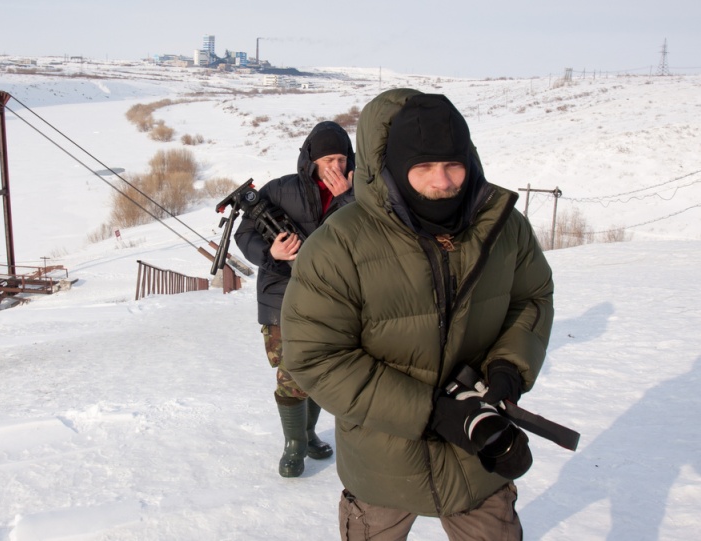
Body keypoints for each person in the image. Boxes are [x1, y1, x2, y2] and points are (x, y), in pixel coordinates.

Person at [280, 89, 554, 539]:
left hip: (477, 459)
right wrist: (430, 413)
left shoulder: (503, 228)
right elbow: (316, 355)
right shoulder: (340, 245)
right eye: (423, 167)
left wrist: (507, 371)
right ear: (390, 168)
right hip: (382, 463)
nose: (443, 181)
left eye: (453, 164)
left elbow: (532, 299)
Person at [234, 120, 355, 478]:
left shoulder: (362, 193)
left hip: (335, 301)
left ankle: (309, 432)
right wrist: (270, 252)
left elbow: (373, 234)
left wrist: (348, 197)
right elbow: (244, 233)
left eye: (341, 159)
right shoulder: (280, 189)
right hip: (282, 299)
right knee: (290, 374)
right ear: (311, 160)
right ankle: (294, 446)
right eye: (327, 159)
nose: (335, 167)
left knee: (321, 372)